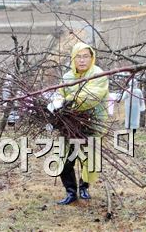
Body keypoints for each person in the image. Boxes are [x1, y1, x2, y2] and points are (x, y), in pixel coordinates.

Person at [47, 42, 109, 205]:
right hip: (69, 125)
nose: (82, 60)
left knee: (90, 158)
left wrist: (66, 102)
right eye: (78, 57)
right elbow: (59, 94)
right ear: (73, 58)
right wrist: (55, 102)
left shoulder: (98, 74)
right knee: (65, 157)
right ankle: (71, 192)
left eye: (86, 56)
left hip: (92, 123)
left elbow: (91, 97)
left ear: (92, 58)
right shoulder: (67, 77)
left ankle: (84, 187)